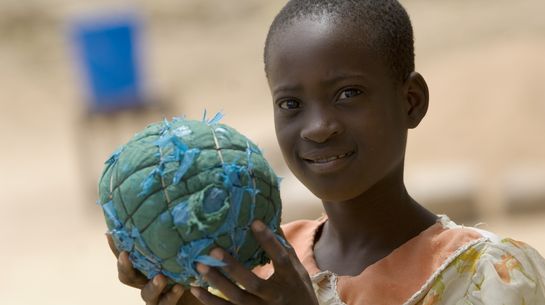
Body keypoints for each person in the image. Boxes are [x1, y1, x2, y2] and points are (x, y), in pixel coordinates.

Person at [107, 0, 545, 304]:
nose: (318, 128)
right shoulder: (259, 266)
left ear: (411, 100)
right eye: (291, 105)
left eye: (348, 93)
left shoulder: (491, 275)